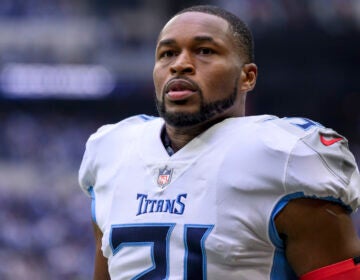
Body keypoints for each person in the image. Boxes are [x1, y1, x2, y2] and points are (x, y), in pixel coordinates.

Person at [79, 5, 360, 280]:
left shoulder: (286, 155)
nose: (180, 64)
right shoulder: (112, 150)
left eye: (204, 51)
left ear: (247, 77)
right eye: (167, 53)